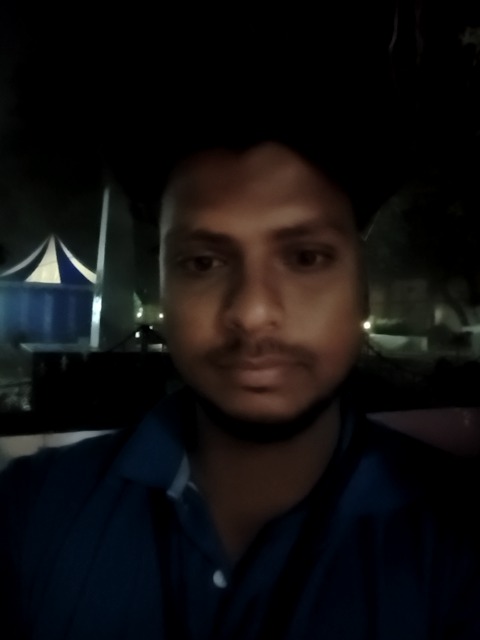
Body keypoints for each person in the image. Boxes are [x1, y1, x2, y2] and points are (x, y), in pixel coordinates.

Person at [0, 137, 479, 640]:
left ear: (360, 289)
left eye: (306, 258)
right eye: (203, 263)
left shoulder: (459, 531)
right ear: (163, 285)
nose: (252, 313)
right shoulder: (32, 512)